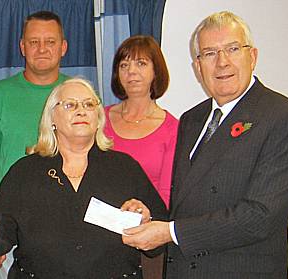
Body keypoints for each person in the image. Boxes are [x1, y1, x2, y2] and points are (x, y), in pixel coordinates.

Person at [122, 11, 288, 278]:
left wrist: (169, 231)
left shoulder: (283, 116)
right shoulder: (192, 120)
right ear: (198, 66)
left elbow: (260, 217)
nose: (222, 62)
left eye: (232, 49)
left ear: (253, 56)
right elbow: (187, 204)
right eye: (210, 53)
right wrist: (150, 218)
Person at [0, 78, 167, 278]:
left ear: (98, 119)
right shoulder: (24, 172)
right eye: (70, 105)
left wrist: (145, 219)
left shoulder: (125, 168)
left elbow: (160, 237)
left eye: (88, 104)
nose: (81, 110)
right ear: (51, 118)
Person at [0, 10, 68, 275]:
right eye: (34, 42)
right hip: (10, 234)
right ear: (22, 47)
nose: (42, 48)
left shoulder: (80, 96)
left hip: (70, 232)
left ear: (63, 47)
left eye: (50, 41)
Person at [104, 35, 177, 279]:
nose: (131, 72)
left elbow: (166, 196)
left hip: (146, 239)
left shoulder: (173, 128)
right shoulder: (98, 120)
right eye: (124, 65)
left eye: (141, 64)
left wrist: (143, 221)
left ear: (156, 71)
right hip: (98, 234)